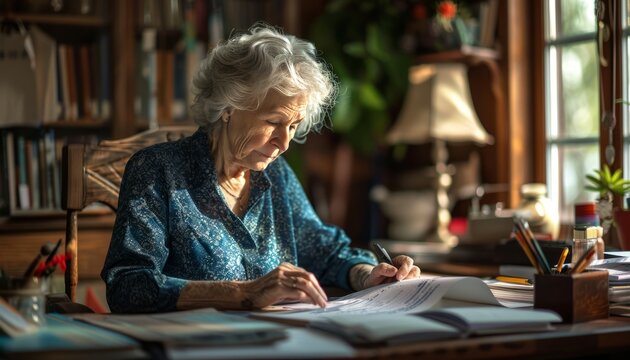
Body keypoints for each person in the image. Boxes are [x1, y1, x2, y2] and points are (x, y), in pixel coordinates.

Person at [101, 24, 421, 313]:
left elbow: (324, 251)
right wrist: (244, 293)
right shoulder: (158, 170)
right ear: (228, 106)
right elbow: (128, 285)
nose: (284, 143)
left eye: (294, 126)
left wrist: (368, 275)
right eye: (273, 122)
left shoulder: (276, 174)